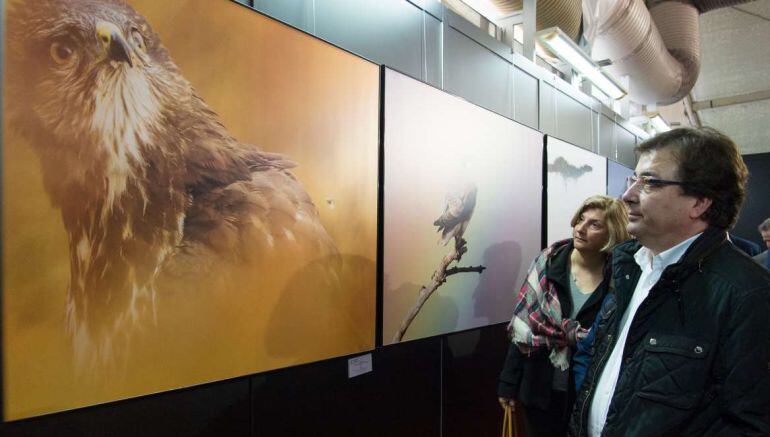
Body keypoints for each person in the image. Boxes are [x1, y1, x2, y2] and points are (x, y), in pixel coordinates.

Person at [569, 127, 770, 437]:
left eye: (649, 182)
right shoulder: (629, 267)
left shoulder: (746, 292)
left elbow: (750, 423)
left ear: (700, 202)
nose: (628, 195)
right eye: (633, 179)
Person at [497, 195, 631, 437]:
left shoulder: (619, 277)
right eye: (581, 219)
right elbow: (521, 328)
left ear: (612, 233)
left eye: (594, 224)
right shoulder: (548, 264)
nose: (580, 228)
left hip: (586, 391)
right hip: (538, 386)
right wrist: (508, 384)